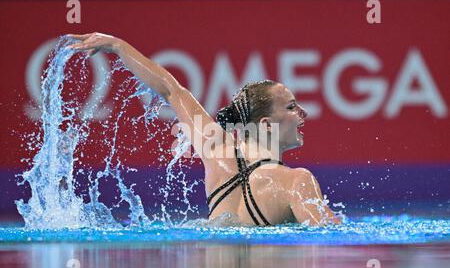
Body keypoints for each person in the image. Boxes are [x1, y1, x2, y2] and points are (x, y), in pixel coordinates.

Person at [67, 32, 341, 226]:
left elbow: (171, 90)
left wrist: (117, 45)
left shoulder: (216, 152)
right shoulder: (296, 181)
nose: (303, 112)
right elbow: (332, 238)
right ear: (266, 125)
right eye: (292, 107)